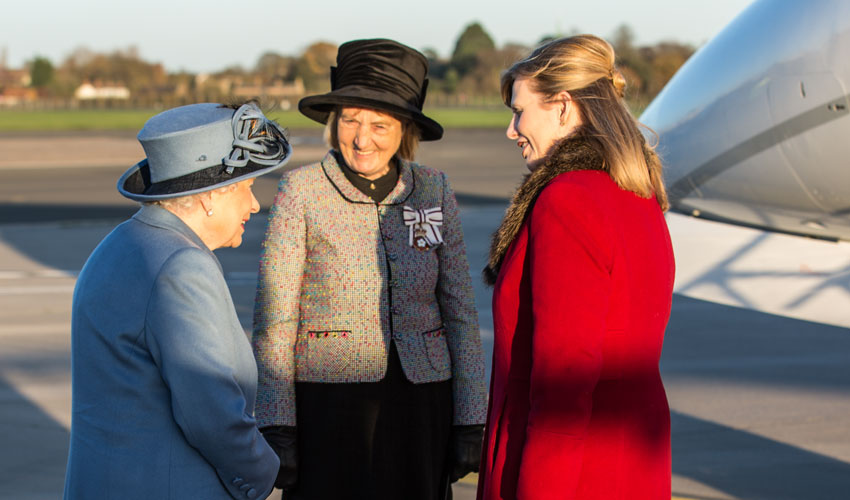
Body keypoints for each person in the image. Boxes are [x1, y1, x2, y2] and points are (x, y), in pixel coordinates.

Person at [252, 38, 487, 500]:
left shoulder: (433, 189)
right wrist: (277, 423)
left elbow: (460, 312)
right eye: (351, 121)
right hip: (329, 403)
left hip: (423, 400)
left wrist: (470, 417)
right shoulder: (301, 191)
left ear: (405, 130)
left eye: (379, 124)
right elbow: (275, 318)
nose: (362, 138)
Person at [477, 35, 675, 500]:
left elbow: (565, 380)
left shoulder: (568, 200)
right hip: (630, 458)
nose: (512, 129)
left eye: (519, 110)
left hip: (571, 471)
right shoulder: (639, 195)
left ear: (563, 107)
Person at [63, 102, 292, 500]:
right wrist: (266, 471)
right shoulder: (182, 266)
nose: (255, 204)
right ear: (210, 198)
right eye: (246, 187)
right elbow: (212, 414)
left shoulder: (119, 244)